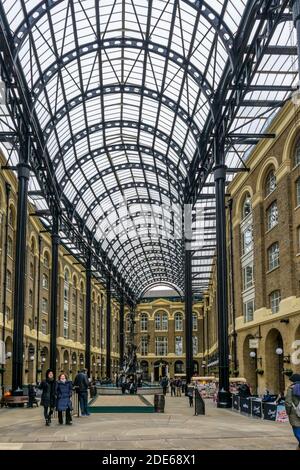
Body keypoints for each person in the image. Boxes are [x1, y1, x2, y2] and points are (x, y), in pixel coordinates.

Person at [285, 373, 300, 450]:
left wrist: (288, 412)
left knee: (297, 431)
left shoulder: (291, 389)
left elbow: (288, 402)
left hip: (294, 412)